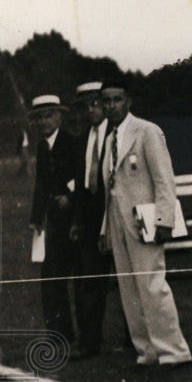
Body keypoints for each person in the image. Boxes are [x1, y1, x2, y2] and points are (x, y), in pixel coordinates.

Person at [98, 80, 192, 370]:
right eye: (106, 101)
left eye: (117, 99)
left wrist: (164, 219)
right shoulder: (108, 137)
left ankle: (173, 350)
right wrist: (104, 229)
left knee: (152, 284)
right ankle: (147, 349)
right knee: (129, 289)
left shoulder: (147, 131)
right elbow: (109, 187)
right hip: (117, 219)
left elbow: (165, 179)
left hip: (145, 220)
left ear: (128, 101)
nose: (111, 105)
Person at [28, 94, 80, 345]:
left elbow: (82, 176)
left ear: (59, 116)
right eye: (39, 118)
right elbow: (41, 185)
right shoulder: (41, 147)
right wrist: (36, 219)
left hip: (74, 219)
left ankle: (76, 336)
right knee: (51, 279)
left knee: (76, 278)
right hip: (53, 220)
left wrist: (69, 197)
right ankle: (59, 334)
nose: (44, 122)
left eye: (48, 116)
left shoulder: (71, 142)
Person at [70, 81, 113, 359]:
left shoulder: (117, 132)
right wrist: (77, 220)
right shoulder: (83, 136)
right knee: (89, 280)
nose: (91, 110)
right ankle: (89, 343)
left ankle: (139, 341)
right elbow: (81, 181)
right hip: (89, 217)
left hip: (114, 212)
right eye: (86, 106)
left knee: (130, 280)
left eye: (96, 103)